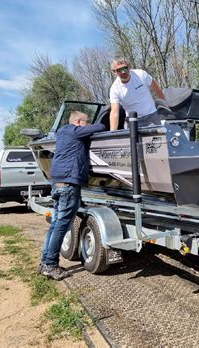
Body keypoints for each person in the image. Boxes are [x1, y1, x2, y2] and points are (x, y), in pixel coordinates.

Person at [40, 111, 106, 280]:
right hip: (69, 185)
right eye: (86, 121)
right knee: (62, 225)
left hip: (57, 183)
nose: (88, 124)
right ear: (78, 122)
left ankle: (45, 263)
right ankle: (51, 265)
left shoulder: (62, 132)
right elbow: (101, 127)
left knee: (55, 224)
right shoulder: (75, 132)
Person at [109, 57, 166, 130]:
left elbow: (157, 89)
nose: (123, 72)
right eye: (119, 70)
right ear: (114, 72)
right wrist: (113, 133)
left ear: (129, 67)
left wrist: (165, 108)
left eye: (125, 68)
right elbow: (114, 112)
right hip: (132, 121)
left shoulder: (141, 74)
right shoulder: (114, 89)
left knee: (158, 140)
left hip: (152, 116)